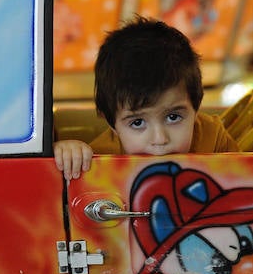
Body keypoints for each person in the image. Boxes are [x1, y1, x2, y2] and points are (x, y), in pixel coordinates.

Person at [54, 16, 237, 180]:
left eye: (173, 117)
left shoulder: (213, 138)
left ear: (196, 107)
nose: (159, 139)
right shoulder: (99, 159)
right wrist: (67, 154)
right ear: (111, 123)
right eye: (138, 122)